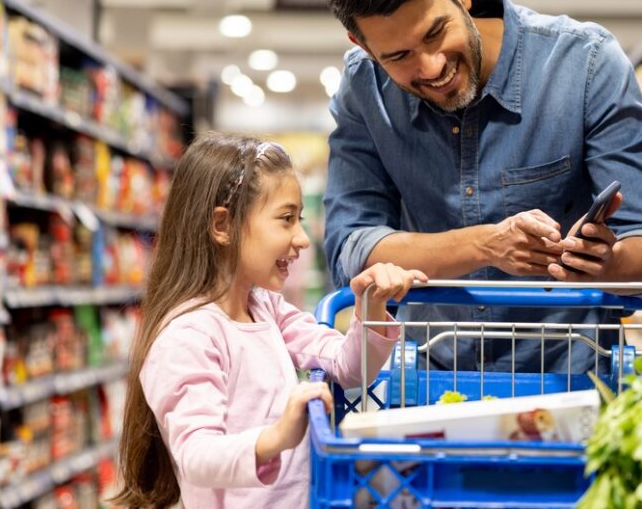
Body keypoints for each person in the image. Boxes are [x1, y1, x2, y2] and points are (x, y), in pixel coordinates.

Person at [321, 0, 642, 374]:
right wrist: (487, 245)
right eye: (398, 56)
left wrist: (606, 262)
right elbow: (352, 247)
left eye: (434, 34)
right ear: (363, 46)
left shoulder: (585, 65)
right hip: (429, 381)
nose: (431, 67)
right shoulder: (362, 89)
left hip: (577, 380)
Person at [111, 132, 426, 509]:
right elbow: (195, 455)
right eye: (286, 219)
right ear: (222, 225)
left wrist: (371, 308)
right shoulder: (187, 336)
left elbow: (348, 366)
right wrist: (276, 437)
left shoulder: (265, 308)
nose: (303, 239)